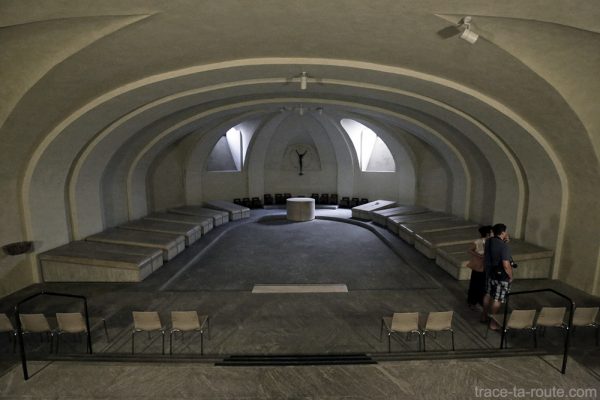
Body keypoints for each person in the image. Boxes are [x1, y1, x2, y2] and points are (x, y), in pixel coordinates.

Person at [482, 223, 514, 330]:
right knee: (497, 299)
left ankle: (484, 316)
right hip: (501, 277)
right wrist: (510, 276)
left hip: (489, 273)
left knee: (488, 294)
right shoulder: (504, 246)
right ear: (503, 232)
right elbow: (506, 264)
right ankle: (493, 323)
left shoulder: (488, 241)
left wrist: (504, 242)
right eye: (506, 231)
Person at [466, 225, 492, 310]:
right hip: (479, 266)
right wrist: (479, 255)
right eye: (491, 232)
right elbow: (469, 250)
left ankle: (480, 301)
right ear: (487, 234)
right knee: (476, 284)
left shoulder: (491, 241)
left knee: (483, 285)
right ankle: (473, 301)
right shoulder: (478, 242)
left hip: (486, 267)